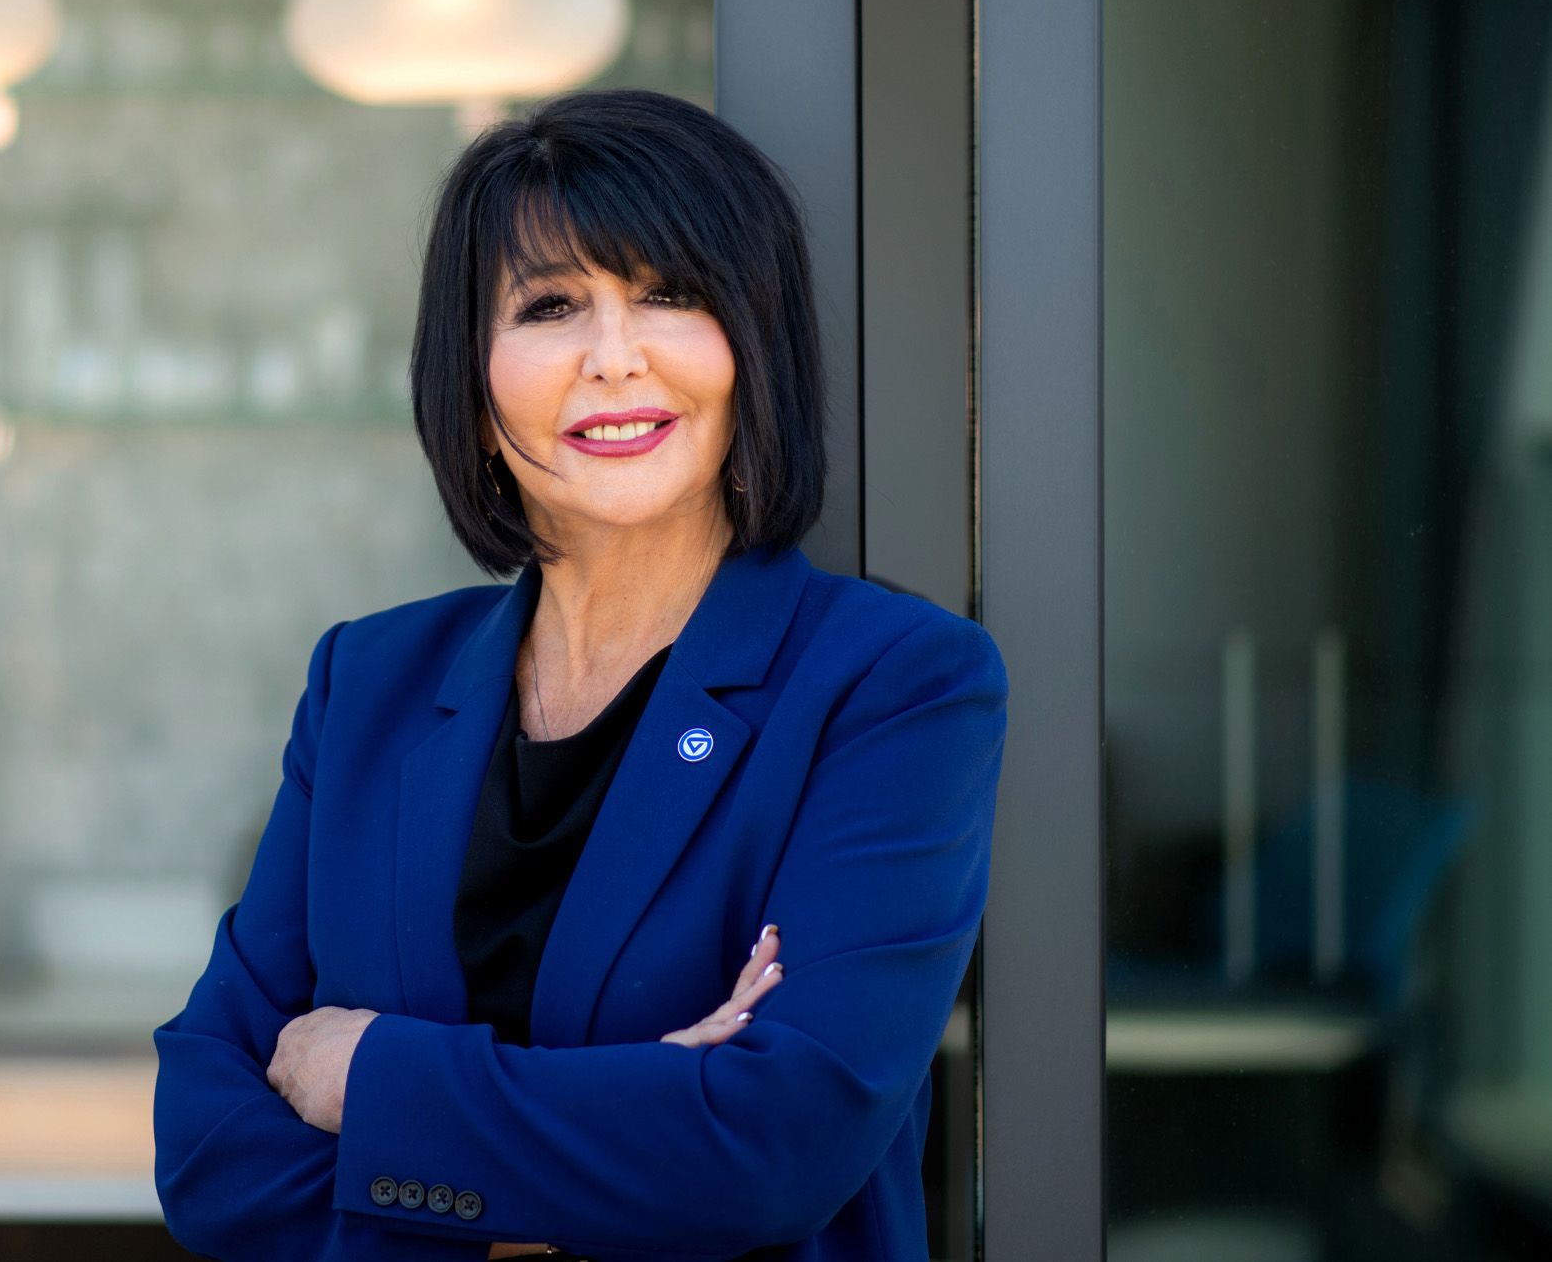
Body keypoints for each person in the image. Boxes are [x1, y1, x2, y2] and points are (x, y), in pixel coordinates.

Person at [152, 87, 1009, 1262]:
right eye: (552, 306)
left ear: (754, 343)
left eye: (671, 294)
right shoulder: (370, 682)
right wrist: (601, 1157)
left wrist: (374, 1079)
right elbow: (208, 1151)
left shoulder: (894, 687)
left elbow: (770, 1146)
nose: (616, 359)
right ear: (474, 369)